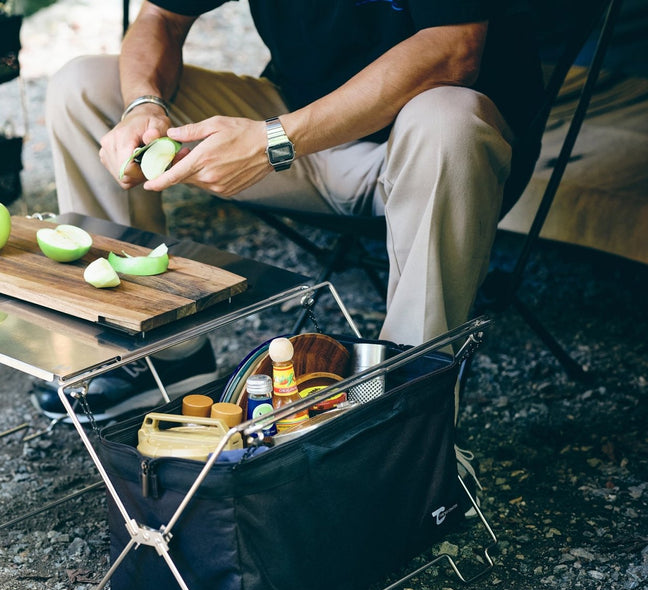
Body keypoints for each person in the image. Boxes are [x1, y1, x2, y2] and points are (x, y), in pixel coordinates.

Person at [31, 0, 543, 422]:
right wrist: (143, 105)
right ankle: (156, 357)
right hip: (296, 127)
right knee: (83, 87)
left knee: (447, 118)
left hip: (435, 154)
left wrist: (275, 140)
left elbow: (453, 50)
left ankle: (404, 411)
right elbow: (160, 17)